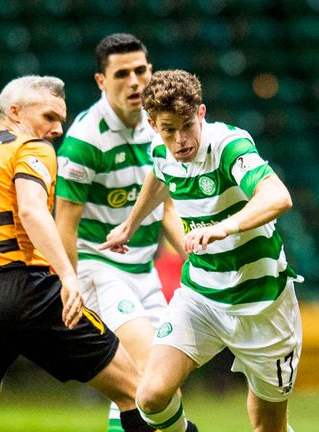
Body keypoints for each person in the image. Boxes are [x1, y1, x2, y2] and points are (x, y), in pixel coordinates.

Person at [0, 75, 153, 432]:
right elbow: (32, 211)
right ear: (14, 112)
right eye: (49, 116)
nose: (58, 129)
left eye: (61, 120)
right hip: (26, 289)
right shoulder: (31, 148)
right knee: (137, 391)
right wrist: (67, 276)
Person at [102, 69, 303, 432]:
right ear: (152, 125)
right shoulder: (162, 150)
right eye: (168, 130)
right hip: (201, 298)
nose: (180, 140)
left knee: (267, 427)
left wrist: (224, 227)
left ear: (202, 113)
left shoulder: (230, 146)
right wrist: (130, 224)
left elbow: (278, 196)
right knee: (150, 396)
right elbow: (158, 176)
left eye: (187, 126)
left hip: (262, 307)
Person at [54, 32, 189, 432]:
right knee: (150, 368)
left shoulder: (158, 128)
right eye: (122, 74)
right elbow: (65, 224)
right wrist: (70, 283)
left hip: (144, 269)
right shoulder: (85, 140)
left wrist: (195, 252)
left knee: (155, 382)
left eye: (141, 70)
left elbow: (167, 207)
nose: (135, 81)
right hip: (99, 268)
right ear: (101, 81)